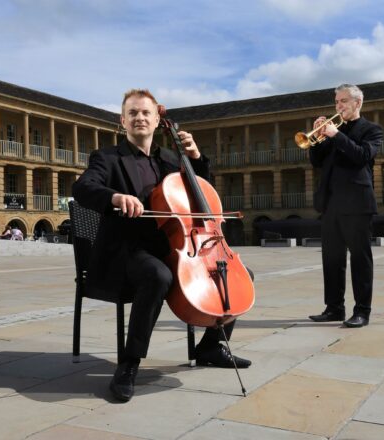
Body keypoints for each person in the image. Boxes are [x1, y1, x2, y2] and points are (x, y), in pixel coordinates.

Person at [72, 89, 251, 402]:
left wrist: (195, 158)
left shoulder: (171, 160)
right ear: (122, 121)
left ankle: (210, 346)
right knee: (158, 276)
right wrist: (115, 197)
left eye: (145, 113)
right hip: (126, 250)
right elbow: (83, 187)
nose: (140, 118)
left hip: (172, 248)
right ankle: (129, 364)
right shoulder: (108, 158)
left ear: (157, 120)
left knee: (238, 273)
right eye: (133, 113)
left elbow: (199, 194)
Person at [308, 84, 383, 328]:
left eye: (343, 101)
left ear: (357, 103)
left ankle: (362, 311)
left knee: (360, 260)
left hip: (357, 204)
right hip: (331, 204)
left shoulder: (372, 130)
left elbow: (362, 156)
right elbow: (317, 162)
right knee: (331, 259)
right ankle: (334, 308)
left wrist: (335, 135)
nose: (338, 106)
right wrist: (317, 137)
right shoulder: (332, 131)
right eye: (336, 102)